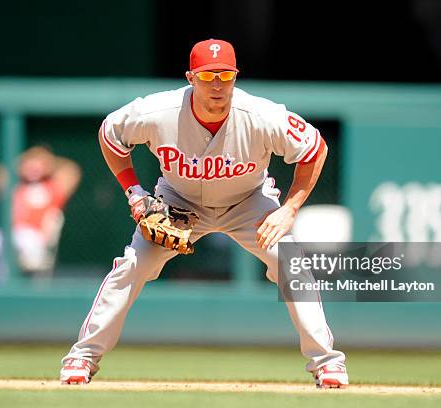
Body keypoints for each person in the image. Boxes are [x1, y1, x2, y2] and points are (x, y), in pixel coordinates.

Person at [60, 39, 348, 388]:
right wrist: (134, 191)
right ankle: (83, 356)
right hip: (178, 202)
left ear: (235, 78)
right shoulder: (157, 111)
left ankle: (327, 363)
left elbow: (314, 149)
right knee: (134, 265)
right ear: (190, 78)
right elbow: (110, 134)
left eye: (225, 76)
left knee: (292, 263)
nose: (217, 84)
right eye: (208, 76)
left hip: (248, 201)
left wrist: (290, 208)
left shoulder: (261, 116)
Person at [0, 146, 81, 285]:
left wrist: (47, 162)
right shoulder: (15, 185)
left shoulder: (53, 187)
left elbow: (73, 170)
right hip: (8, 235)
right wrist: (24, 162)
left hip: (33, 240)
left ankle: (0, 292)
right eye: (32, 160)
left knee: (12, 242)